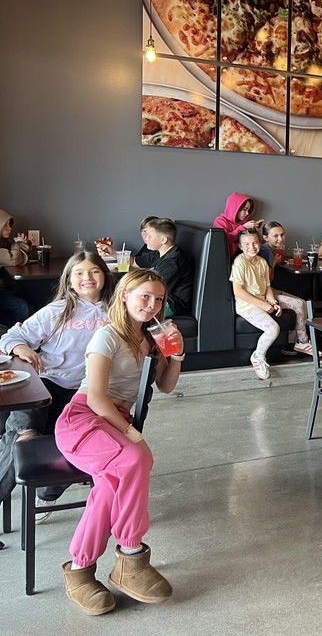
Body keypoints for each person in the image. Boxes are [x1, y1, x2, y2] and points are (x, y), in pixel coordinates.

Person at [54, 269, 183, 616]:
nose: (152, 304)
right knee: (135, 459)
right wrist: (133, 436)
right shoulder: (107, 336)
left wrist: (177, 356)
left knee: (111, 485)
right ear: (124, 295)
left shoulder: (152, 338)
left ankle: (80, 571)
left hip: (113, 421)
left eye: (158, 299)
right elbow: (96, 398)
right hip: (83, 419)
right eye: (145, 296)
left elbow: (166, 385)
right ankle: (130, 555)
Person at [0, 252, 115, 518]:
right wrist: (21, 348)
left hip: (86, 393)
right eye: (79, 273)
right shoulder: (58, 311)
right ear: (69, 280)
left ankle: (45, 494)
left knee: (78, 442)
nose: (87, 278)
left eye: (94, 271)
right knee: (21, 434)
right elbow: (12, 336)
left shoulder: (116, 311)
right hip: (44, 385)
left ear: (105, 276)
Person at [231, 228, 314, 381]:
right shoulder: (240, 263)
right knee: (273, 328)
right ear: (241, 246)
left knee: (298, 304)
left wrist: (273, 302)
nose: (252, 247)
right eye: (247, 244)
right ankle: (258, 356)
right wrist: (263, 305)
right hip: (247, 305)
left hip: (263, 297)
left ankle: (302, 341)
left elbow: (268, 286)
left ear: (260, 243)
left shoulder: (262, 262)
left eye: (255, 243)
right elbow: (238, 292)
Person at [135, 218, 193, 317]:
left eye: (149, 236)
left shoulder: (172, 262)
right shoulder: (158, 253)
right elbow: (135, 262)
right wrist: (112, 252)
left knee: (130, 305)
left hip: (172, 305)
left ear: (163, 240)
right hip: (157, 296)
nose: (146, 239)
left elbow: (153, 288)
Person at [0, 209, 32, 326]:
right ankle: (15, 334)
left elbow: (18, 256)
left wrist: (21, 244)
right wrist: (18, 244)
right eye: (5, 225)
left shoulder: (3, 243)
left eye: (10, 224)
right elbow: (14, 259)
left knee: (31, 298)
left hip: (6, 287)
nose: (10, 228)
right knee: (22, 307)